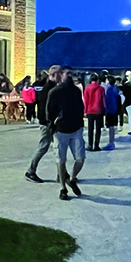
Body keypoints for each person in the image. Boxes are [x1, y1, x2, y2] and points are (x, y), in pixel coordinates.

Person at [49, 66, 86, 201]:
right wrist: (52, 125)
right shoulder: (55, 92)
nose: (70, 76)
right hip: (61, 130)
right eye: (67, 73)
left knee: (80, 158)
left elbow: (81, 106)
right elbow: (50, 111)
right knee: (60, 159)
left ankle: (72, 178)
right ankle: (63, 188)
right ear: (61, 75)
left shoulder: (76, 90)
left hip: (76, 129)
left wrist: (81, 123)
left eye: (71, 73)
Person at [25, 65, 61, 183]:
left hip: (48, 122)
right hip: (48, 123)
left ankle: (61, 174)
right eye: (60, 74)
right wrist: (49, 122)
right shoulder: (50, 89)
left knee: (56, 148)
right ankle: (31, 171)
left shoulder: (48, 87)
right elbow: (46, 108)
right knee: (44, 147)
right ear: (54, 75)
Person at [83, 73, 106, 152]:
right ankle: (96, 145)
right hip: (99, 110)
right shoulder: (101, 88)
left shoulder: (87, 88)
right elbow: (103, 100)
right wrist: (104, 109)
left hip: (90, 110)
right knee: (98, 129)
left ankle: (90, 145)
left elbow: (85, 100)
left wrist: (85, 111)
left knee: (90, 129)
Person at [104, 75, 121, 150]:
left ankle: (111, 143)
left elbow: (108, 100)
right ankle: (111, 142)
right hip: (115, 109)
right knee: (112, 126)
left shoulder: (110, 89)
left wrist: (105, 108)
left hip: (110, 109)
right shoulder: (116, 88)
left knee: (110, 126)